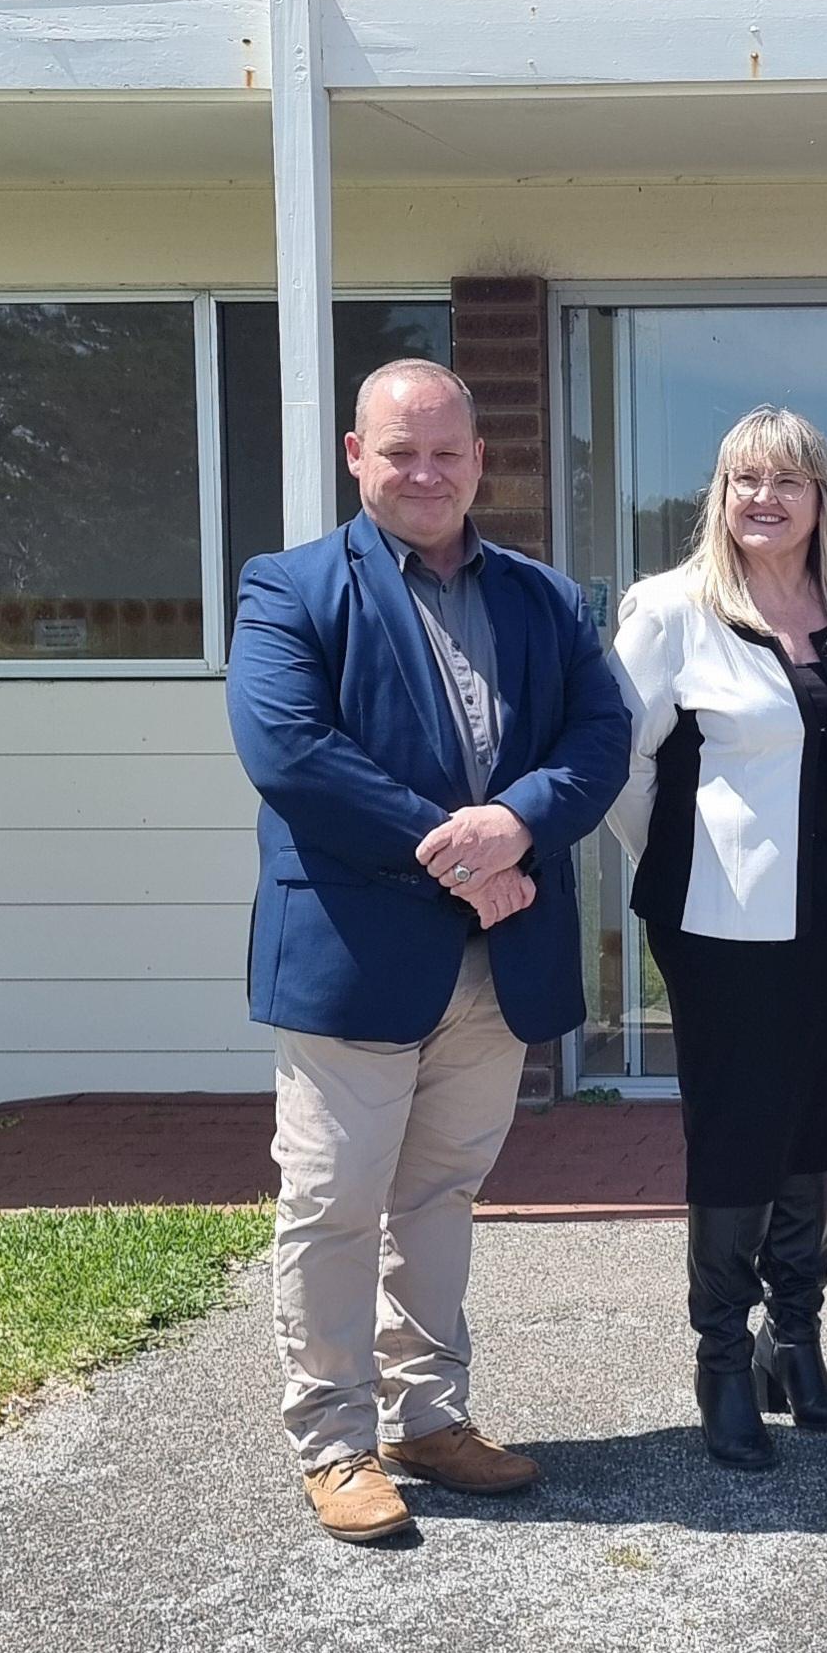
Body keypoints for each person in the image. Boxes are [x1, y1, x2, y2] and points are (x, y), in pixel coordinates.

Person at [228, 359, 630, 1544]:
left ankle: (428, 1415)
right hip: (357, 952)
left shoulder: (543, 596)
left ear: (477, 458)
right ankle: (335, 1441)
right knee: (335, 1200)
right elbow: (291, 751)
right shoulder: (289, 586)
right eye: (400, 450)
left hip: (495, 959)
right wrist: (458, 848)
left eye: (446, 450)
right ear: (356, 455)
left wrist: (520, 821)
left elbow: (601, 733)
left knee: (442, 1194)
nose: (425, 471)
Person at [607, 408, 827, 1473]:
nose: (761, 499)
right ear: (718, 496)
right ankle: (722, 1362)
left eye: (785, 481)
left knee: (813, 1128)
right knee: (736, 1137)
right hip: (718, 926)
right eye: (742, 480)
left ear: (824, 497)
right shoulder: (670, 611)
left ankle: (798, 1345)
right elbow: (620, 764)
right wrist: (681, 857)